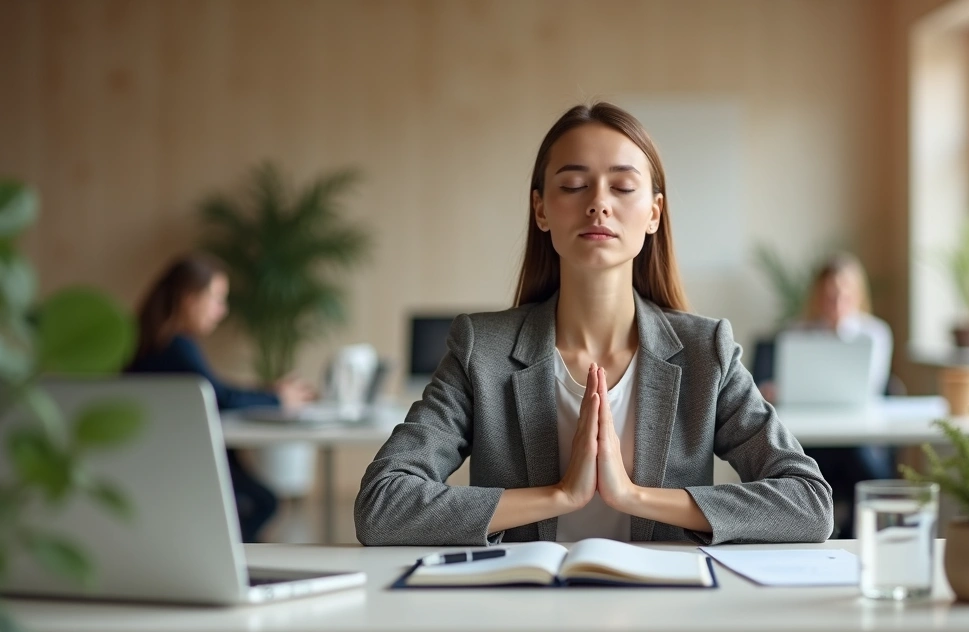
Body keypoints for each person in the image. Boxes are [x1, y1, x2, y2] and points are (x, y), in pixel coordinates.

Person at [354, 102, 833, 546]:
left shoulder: (705, 350)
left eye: (623, 187)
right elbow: (381, 505)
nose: (599, 203)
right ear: (541, 208)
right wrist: (559, 495)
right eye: (573, 185)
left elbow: (808, 504)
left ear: (653, 213)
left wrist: (633, 496)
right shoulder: (482, 349)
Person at [126, 254, 314, 542]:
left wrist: (269, 393)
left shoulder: (154, 343)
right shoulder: (175, 345)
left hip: (163, 460)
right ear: (190, 299)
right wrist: (277, 400)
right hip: (185, 464)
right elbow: (219, 396)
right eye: (216, 299)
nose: (221, 310)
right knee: (263, 502)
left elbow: (216, 388)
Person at [760, 253, 897, 538]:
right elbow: (789, 388)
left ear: (858, 295)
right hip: (813, 439)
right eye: (830, 293)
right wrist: (777, 391)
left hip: (857, 437)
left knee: (866, 469)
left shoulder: (873, 334)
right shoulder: (797, 334)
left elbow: (870, 388)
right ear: (818, 295)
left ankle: (852, 538)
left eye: (844, 293)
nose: (836, 301)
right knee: (800, 473)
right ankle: (818, 532)